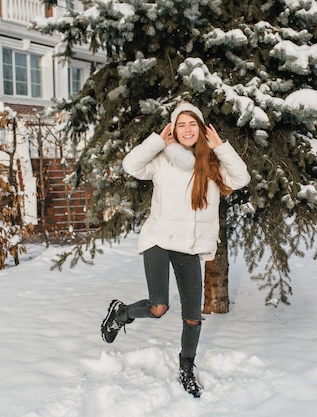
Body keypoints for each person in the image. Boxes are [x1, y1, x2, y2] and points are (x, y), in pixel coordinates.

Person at [100, 102, 251, 398]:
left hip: (189, 247)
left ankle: (186, 366)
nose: (187, 130)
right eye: (180, 124)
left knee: (193, 316)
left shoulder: (212, 164)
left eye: (192, 124)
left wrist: (221, 147)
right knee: (158, 308)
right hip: (159, 240)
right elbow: (131, 165)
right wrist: (157, 140)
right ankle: (120, 314)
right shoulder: (161, 159)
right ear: (173, 129)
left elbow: (241, 179)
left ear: (201, 128)